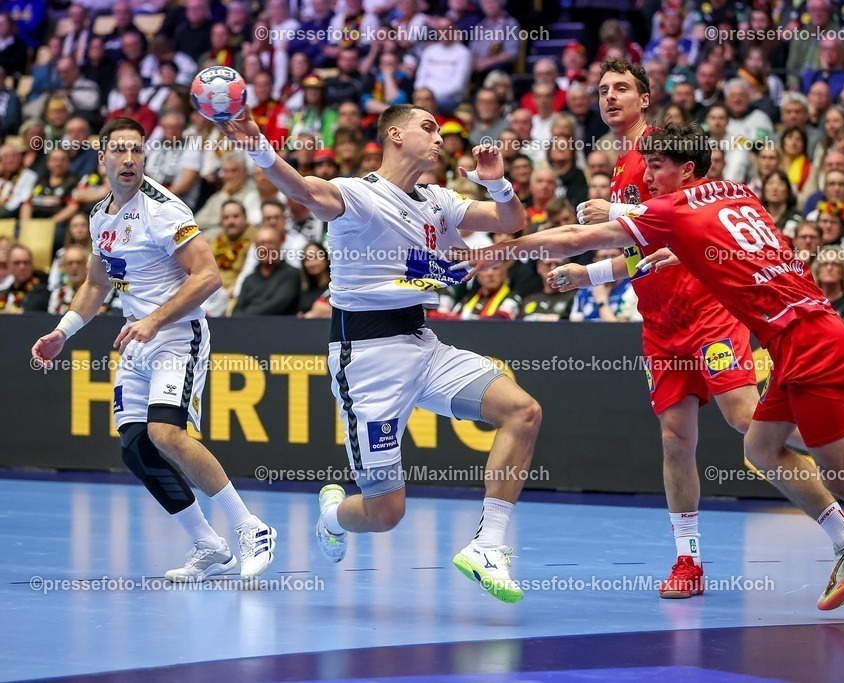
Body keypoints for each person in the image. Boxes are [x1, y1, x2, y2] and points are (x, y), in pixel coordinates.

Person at [459, 123, 844, 624]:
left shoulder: (675, 208)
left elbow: (576, 235)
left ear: (685, 170)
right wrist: (610, 247)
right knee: (760, 446)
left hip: (805, 339)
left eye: (657, 167)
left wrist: (492, 251)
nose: (648, 176)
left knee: (842, 474)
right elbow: (673, 249)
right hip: (801, 334)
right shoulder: (738, 192)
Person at [570, 60, 844, 601]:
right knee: (675, 439)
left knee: (746, 419)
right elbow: (645, 249)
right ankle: (688, 560)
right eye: (603, 89)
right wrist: (592, 273)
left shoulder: (660, 153)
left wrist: (587, 260)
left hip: (707, 311)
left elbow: (683, 233)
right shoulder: (619, 162)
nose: (610, 96)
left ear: (645, 98)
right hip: (660, 322)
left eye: (622, 88)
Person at [215, 103, 542, 604]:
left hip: (423, 346)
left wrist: (498, 183)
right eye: (428, 128)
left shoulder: (437, 200)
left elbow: (510, 220)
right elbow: (302, 189)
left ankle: (488, 545)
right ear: (395, 134)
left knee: (523, 411)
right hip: (368, 361)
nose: (439, 138)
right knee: (386, 513)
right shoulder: (358, 195)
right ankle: (332, 515)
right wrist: (258, 146)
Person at [30, 117, 277, 583]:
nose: (129, 159)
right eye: (119, 150)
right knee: (136, 448)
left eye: (137, 150)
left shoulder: (164, 210)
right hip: (137, 340)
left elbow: (208, 276)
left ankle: (251, 527)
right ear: (101, 158)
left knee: (165, 434)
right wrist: (63, 331)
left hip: (177, 335)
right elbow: (96, 285)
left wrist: (154, 320)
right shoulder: (100, 215)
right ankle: (209, 545)